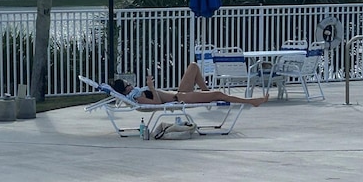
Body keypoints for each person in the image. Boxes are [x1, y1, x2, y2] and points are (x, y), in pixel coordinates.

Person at [112, 62, 269, 107]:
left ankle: (206, 95)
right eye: (128, 85)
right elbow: (157, 103)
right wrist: (151, 88)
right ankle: (251, 102)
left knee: (193, 66)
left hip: (179, 93)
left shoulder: (135, 93)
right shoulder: (137, 98)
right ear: (125, 90)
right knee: (219, 94)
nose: (131, 85)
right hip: (180, 98)